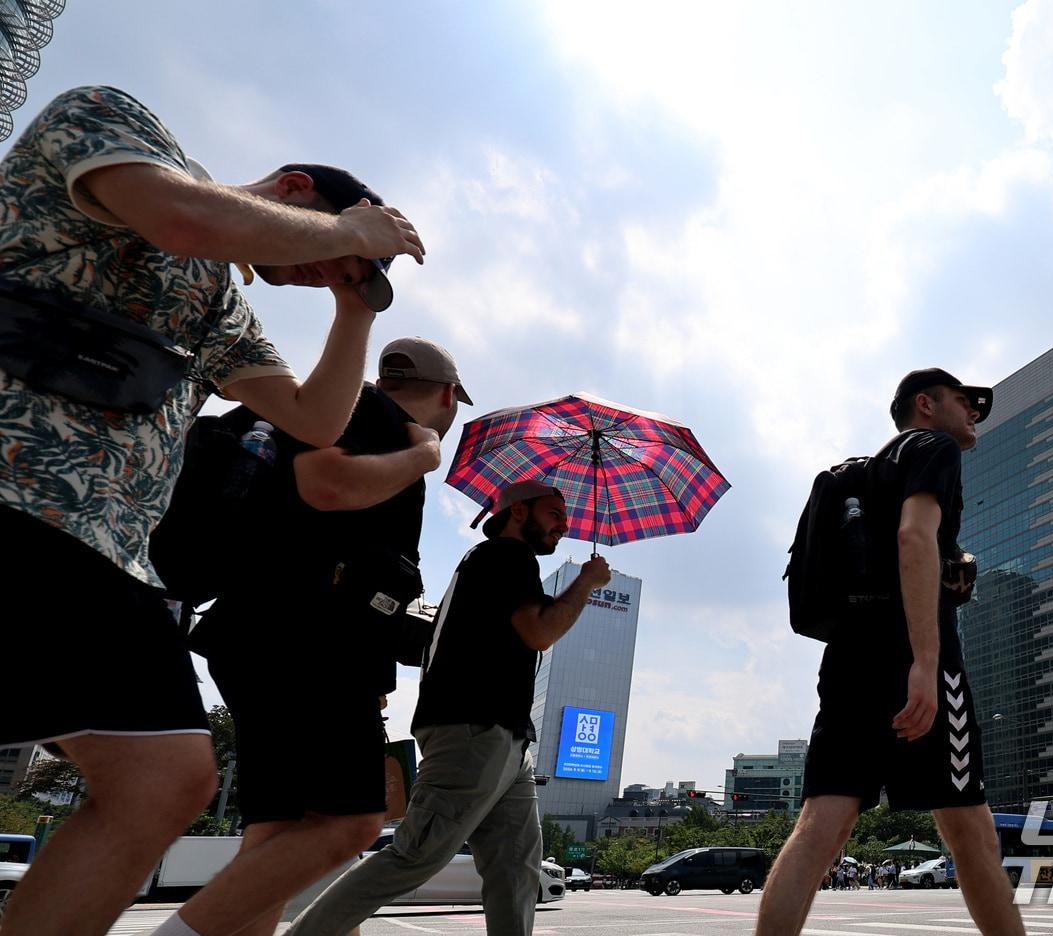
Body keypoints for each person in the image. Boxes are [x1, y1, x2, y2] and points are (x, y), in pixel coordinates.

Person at [0, 85, 424, 936]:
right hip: (11, 492)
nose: (318, 272)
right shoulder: (115, 123)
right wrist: (355, 234)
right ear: (297, 189)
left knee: (167, 779)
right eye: (325, 248)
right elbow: (181, 219)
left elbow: (313, 417)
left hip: (103, 548)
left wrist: (353, 309)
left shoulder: (219, 309)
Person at [175, 337, 470, 936]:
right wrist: (424, 456)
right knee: (353, 821)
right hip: (308, 644)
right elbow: (326, 484)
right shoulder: (378, 416)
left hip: (260, 636)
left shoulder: (330, 409)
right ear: (447, 394)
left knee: (277, 830)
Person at [754, 368, 1025, 936]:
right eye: (965, 400)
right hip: (915, 662)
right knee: (971, 835)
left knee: (819, 828)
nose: (975, 411)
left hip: (849, 660)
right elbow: (913, 536)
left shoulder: (858, 477)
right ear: (925, 405)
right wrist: (925, 664)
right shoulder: (934, 449)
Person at [285, 480, 612, 936]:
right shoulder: (505, 557)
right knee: (415, 856)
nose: (565, 524)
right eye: (555, 512)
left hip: (508, 740)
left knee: (516, 869)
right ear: (519, 512)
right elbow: (541, 630)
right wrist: (588, 582)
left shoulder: (489, 562)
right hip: (474, 732)